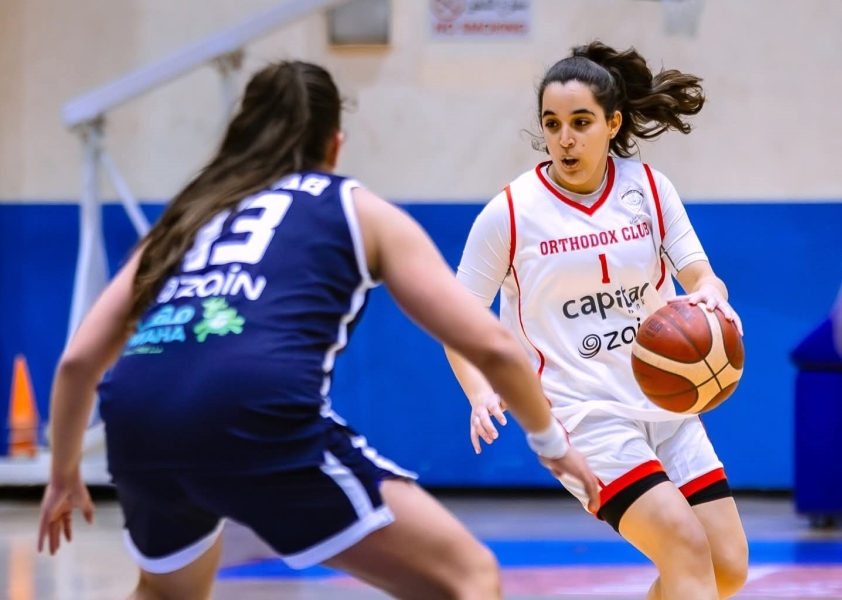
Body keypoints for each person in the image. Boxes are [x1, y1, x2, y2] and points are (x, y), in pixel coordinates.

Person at [36, 60, 600, 600]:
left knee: (165, 592)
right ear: (335, 144)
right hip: (252, 406)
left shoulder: (188, 214)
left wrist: (62, 473)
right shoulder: (353, 207)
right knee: (468, 579)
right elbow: (492, 344)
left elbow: (78, 362)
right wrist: (551, 443)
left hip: (136, 417)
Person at [444, 42, 749, 600]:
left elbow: (701, 275)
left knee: (727, 567)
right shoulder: (510, 212)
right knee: (683, 547)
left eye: (581, 122)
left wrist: (710, 293)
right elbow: (457, 318)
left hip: (665, 402)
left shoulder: (648, 188)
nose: (565, 138)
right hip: (581, 417)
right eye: (552, 123)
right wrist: (478, 390)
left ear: (612, 124)